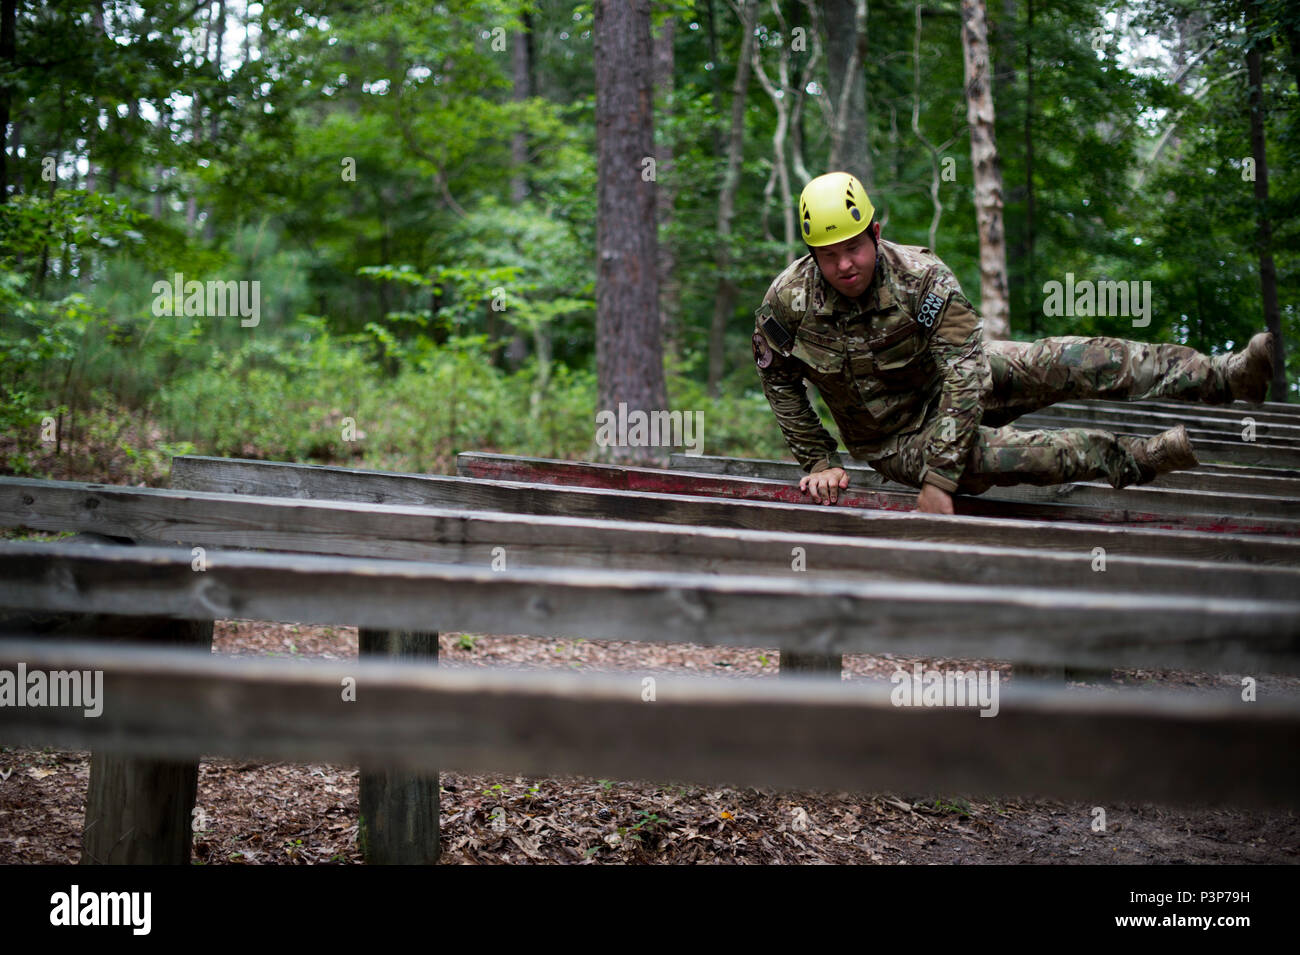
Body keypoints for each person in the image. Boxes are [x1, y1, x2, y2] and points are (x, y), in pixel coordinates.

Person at [752, 171, 1277, 514]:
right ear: (810, 255)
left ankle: (1227, 376)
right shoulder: (788, 301)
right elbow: (777, 378)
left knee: (1075, 358)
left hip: (958, 380)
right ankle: (1138, 457)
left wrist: (941, 477)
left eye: (853, 248)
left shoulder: (922, 277)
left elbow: (964, 370)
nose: (844, 264)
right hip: (896, 439)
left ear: (875, 232)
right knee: (1017, 457)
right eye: (828, 254)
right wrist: (819, 460)